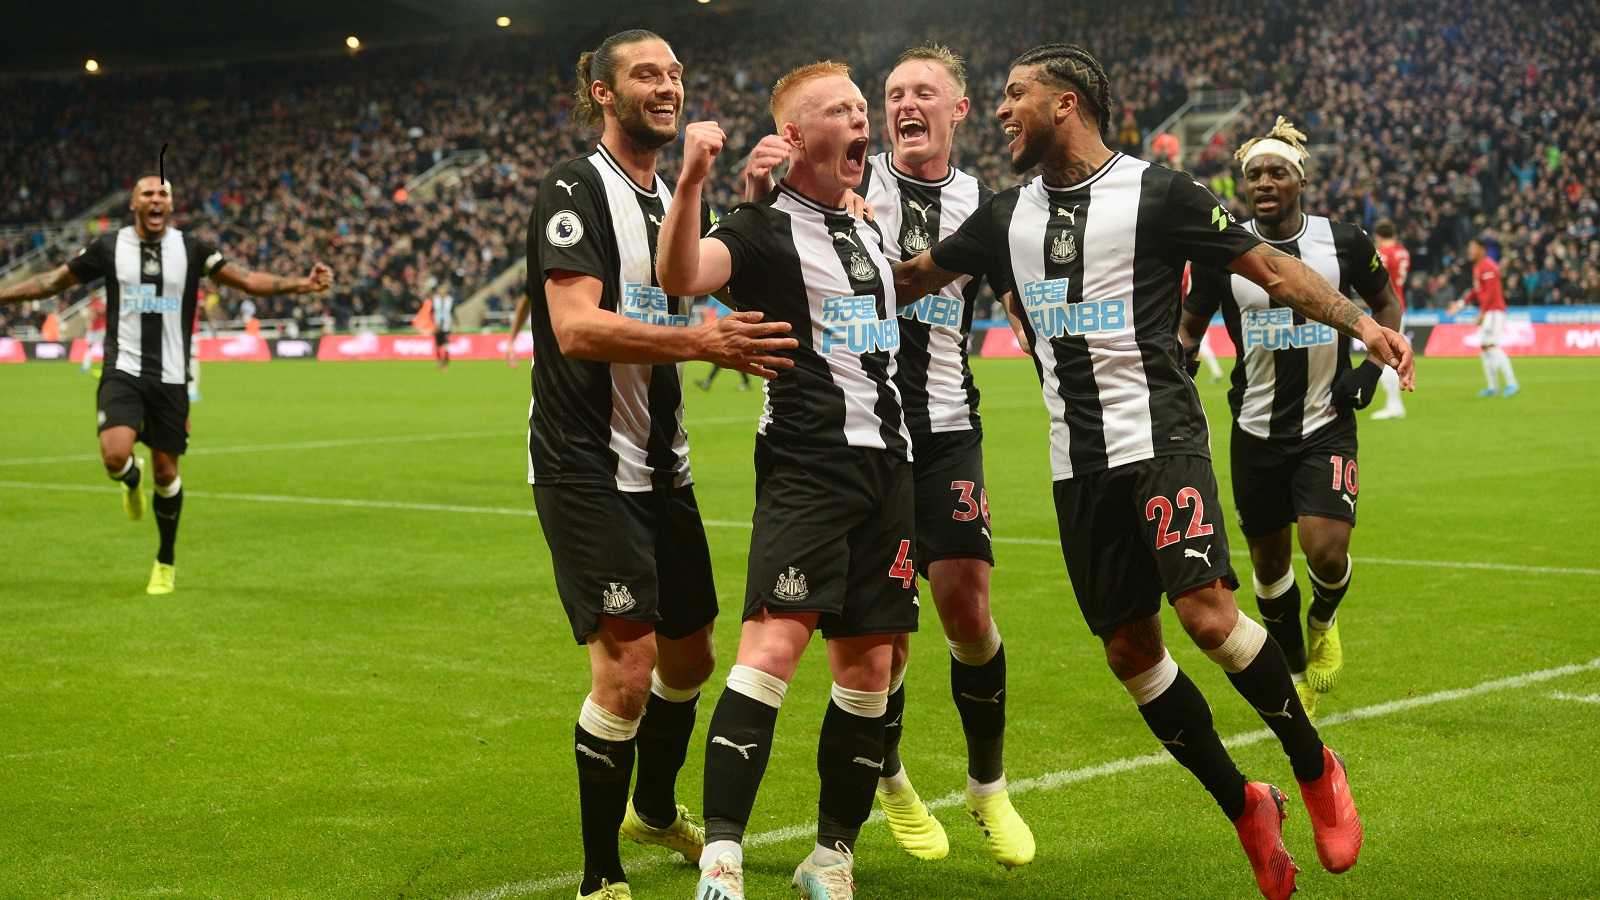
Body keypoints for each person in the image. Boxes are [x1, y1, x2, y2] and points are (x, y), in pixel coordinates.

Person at [894, 45, 1413, 900]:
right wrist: (792, 250)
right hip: (1076, 464)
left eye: (1016, 95)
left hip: (1160, 438)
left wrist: (1362, 324)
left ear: (1066, 103)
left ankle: (1316, 767)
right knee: (1131, 652)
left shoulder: (1160, 192)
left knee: (1208, 616)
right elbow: (911, 279)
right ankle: (1246, 805)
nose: (1002, 110)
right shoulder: (1001, 217)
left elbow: (1270, 267)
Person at [744, 42, 1033, 868]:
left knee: (968, 607)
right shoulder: (846, 178)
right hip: (856, 435)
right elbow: (773, 227)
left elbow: (1017, 296)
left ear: (958, 110)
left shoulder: (984, 204)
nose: (904, 104)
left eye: (923, 92)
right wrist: (761, 189)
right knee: (885, 637)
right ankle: (892, 778)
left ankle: (988, 785)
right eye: (893, 93)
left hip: (945, 425)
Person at [524, 31, 797, 900]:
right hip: (584, 465)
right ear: (604, 94)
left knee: (690, 659)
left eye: (676, 73)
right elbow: (576, 327)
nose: (668, 86)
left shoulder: (668, 204)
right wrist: (699, 341)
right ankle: (600, 877)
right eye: (647, 74)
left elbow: (715, 277)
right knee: (628, 671)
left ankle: (650, 808)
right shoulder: (574, 189)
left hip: (662, 469)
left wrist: (756, 200)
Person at [658, 61, 918, 900]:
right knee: (771, 651)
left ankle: (831, 858)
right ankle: (722, 861)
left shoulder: (868, 225)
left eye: (862, 106)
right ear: (796, 138)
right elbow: (681, 277)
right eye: (842, 110)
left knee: (870, 670)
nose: (862, 119)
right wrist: (693, 181)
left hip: (891, 469)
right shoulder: (761, 228)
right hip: (809, 466)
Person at [0, 174, 332, 594]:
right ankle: (129, 480)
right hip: (123, 369)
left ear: (171, 205)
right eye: (148, 194)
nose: (156, 199)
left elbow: (247, 279)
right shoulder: (109, 247)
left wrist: (303, 284)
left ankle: (165, 560)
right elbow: (51, 282)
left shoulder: (193, 250)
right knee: (114, 456)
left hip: (172, 376)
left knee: (166, 471)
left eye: (163, 194)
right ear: (134, 203)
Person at [1179, 119, 1405, 721]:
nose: (1263, 182)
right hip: (1255, 429)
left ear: (1300, 182)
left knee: (1325, 551)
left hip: (1326, 420)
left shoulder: (1345, 242)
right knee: (1269, 566)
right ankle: (1297, 671)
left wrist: (1371, 367)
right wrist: (1177, 366)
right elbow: (1190, 326)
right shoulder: (1224, 251)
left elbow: (1387, 303)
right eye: (1254, 174)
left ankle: (1323, 618)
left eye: (1277, 172)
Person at [1448, 238, 1519, 397]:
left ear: (1481, 250)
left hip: (1494, 311)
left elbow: (1491, 293)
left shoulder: (1488, 267)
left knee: (1492, 346)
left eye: (1472, 248)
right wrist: (1461, 303)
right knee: (1485, 348)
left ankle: (1512, 383)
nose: (1469, 252)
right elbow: (1477, 290)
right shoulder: (1478, 267)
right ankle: (1493, 387)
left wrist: (1484, 312)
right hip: (1488, 311)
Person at [1370, 219, 1411, 419]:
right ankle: (1394, 404)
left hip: (1386, 307)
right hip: (1400, 304)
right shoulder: (1403, 252)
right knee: (1389, 354)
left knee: (1386, 356)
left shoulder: (1381, 254)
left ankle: (1395, 405)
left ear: (1377, 236)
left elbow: (1375, 280)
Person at [696, 298, 751, 391]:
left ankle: (707, 381)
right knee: (730, 353)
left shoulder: (713, 294)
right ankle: (746, 382)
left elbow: (706, 310)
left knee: (725, 353)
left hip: (725, 327)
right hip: (731, 325)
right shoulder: (728, 292)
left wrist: (701, 324)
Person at [431, 284, 456, 370]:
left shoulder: (450, 300)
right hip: (437, 325)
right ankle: (439, 361)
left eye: (444, 291)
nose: (442, 293)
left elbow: (452, 312)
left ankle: (445, 362)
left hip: (446, 325)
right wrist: (433, 323)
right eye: (440, 291)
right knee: (438, 345)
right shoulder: (435, 300)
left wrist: (457, 324)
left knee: (446, 344)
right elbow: (431, 312)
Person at [81, 292, 106, 373]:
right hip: (94, 329)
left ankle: (106, 366)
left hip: (100, 329)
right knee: (91, 347)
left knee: (101, 346)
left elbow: (94, 317)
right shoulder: (95, 305)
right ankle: (85, 366)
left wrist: (97, 312)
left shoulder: (98, 304)